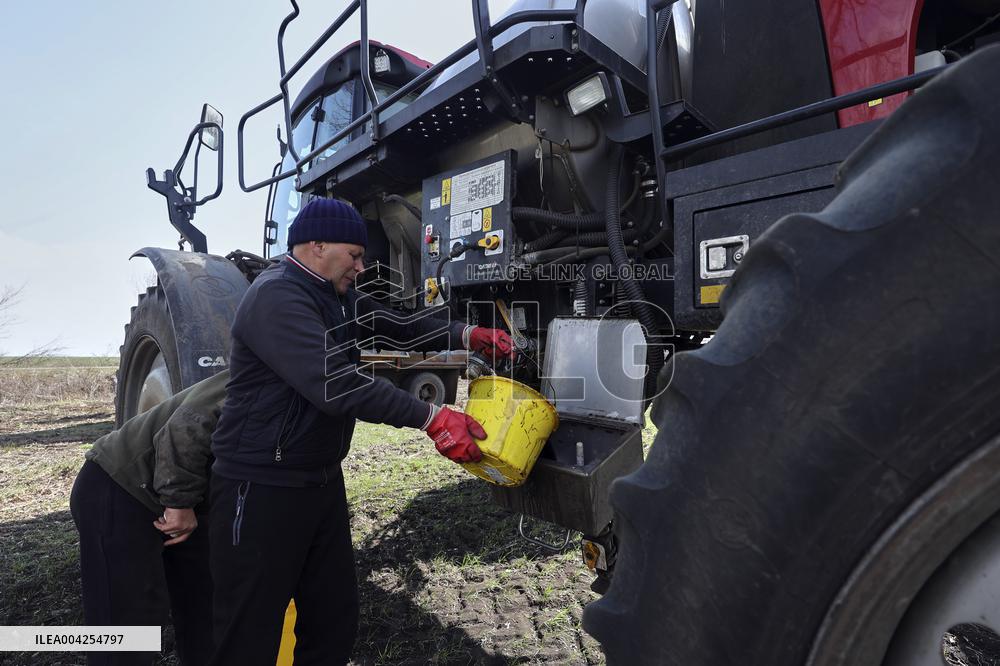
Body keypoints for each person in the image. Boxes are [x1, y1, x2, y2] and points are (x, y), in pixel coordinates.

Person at [208, 198, 514, 665]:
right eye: (353, 254)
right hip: (262, 486)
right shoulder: (277, 296)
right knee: (250, 632)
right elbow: (337, 384)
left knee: (333, 618)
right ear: (316, 244)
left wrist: (464, 333)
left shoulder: (336, 295)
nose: (361, 265)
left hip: (319, 483)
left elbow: (399, 323)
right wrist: (433, 418)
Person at [70, 369, 230, 666]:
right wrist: (179, 502)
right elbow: (184, 428)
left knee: (204, 611)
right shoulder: (256, 373)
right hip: (120, 486)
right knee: (127, 625)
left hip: (192, 502)